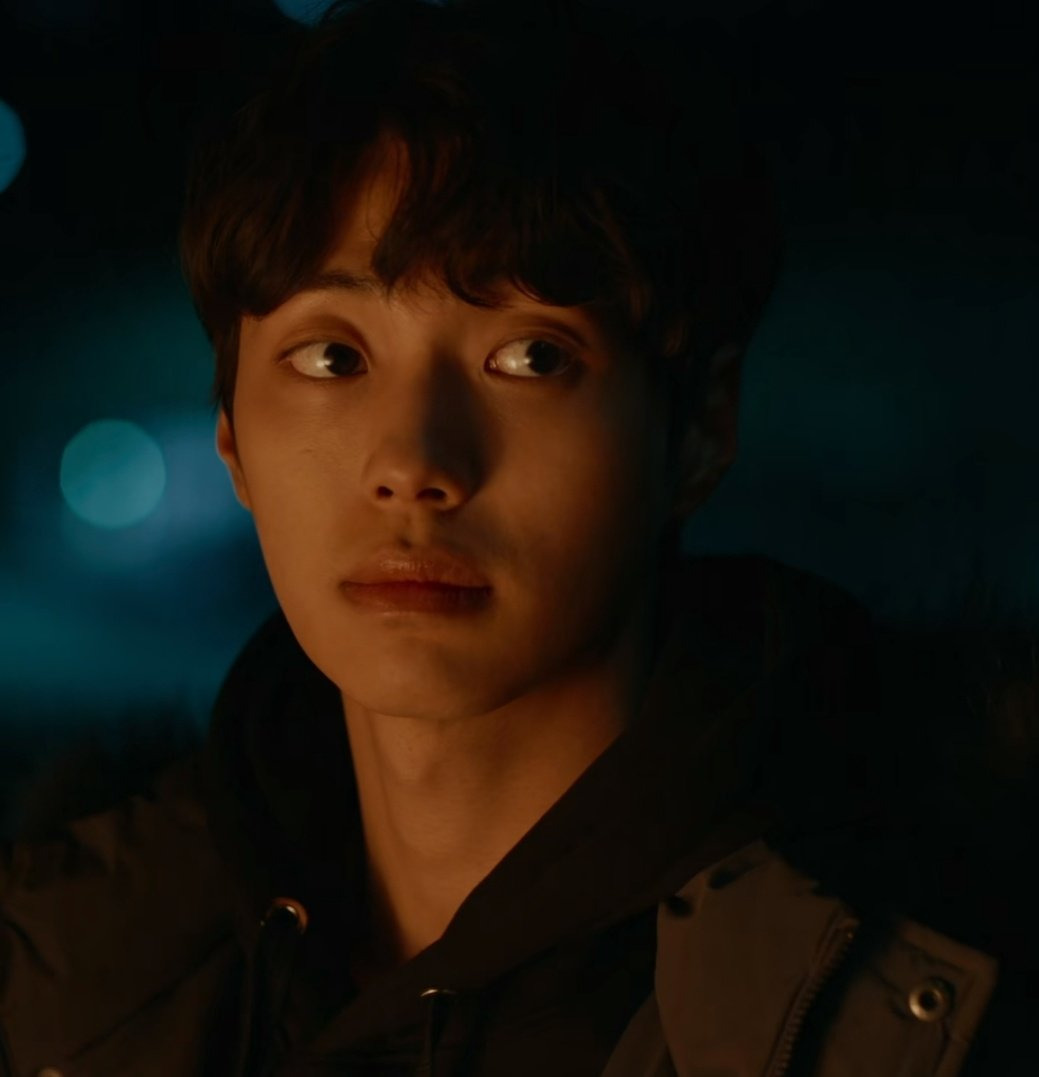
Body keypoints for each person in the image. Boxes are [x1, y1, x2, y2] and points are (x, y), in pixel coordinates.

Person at [0, 0, 1034, 1073]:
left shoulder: (936, 997)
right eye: (332, 357)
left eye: (530, 357)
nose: (413, 463)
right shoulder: (70, 985)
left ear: (697, 427)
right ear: (230, 436)